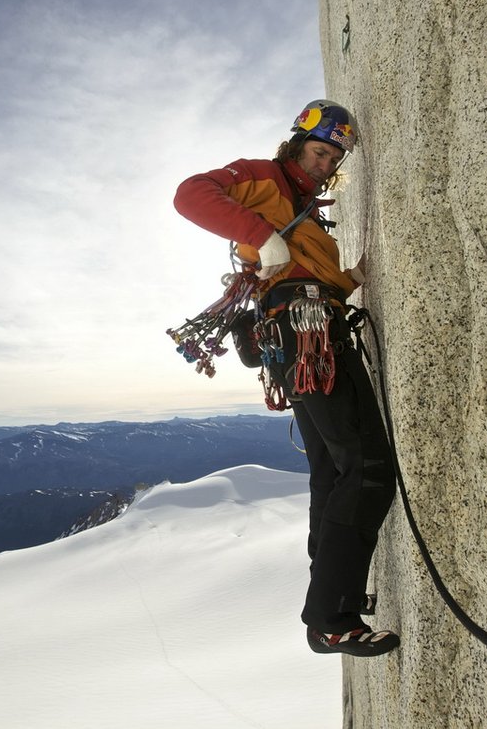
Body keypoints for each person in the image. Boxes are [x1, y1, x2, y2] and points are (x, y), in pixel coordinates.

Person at [173, 100, 399, 657]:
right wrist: (261, 233)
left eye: (334, 158)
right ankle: (330, 617)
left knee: (331, 472)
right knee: (368, 470)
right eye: (320, 151)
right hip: (306, 334)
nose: (325, 165)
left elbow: (313, 276)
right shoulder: (263, 179)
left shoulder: (305, 209)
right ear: (296, 143)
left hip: (302, 331)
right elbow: (190, 193)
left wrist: (352, 277)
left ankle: (335, 593)